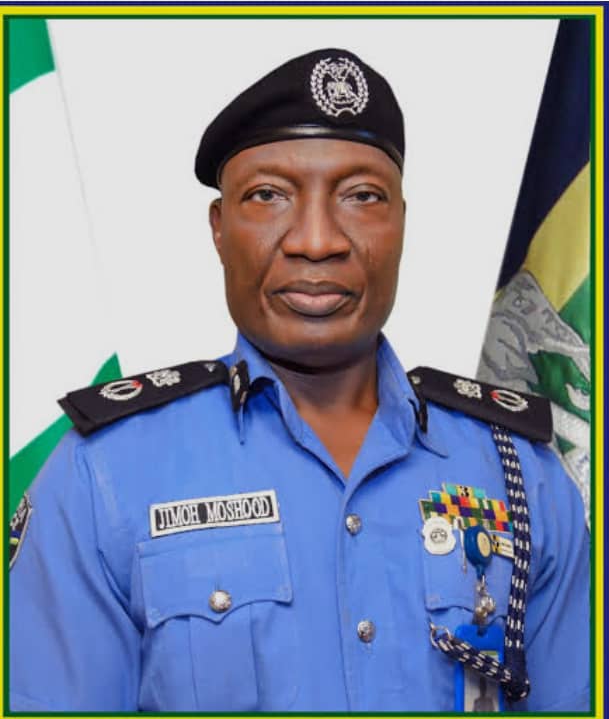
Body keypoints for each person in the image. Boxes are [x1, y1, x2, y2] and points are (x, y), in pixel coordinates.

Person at [9, 48, 589, 712]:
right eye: (268, 196)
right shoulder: (102, 474)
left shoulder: (520, 472)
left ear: (401, 223)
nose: (316, 240)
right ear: (219, 228)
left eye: (361, 196)